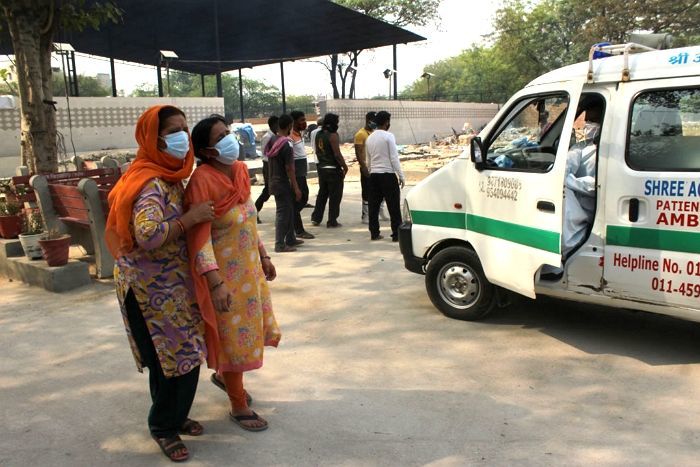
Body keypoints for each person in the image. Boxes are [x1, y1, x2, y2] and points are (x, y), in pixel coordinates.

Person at [105, 105, 215, 462]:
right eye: (174, 131)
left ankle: (174, 416)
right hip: (150, 291)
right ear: (153, 140)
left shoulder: (167, 175)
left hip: (167, 286)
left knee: (172, 359)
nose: (183, 136)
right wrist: (189, 219)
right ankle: (163, 426)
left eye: (185, 128)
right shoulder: (150, 181)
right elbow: (148, 233)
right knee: (178, 360)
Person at [185, 115, 282, 432]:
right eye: (222, 136)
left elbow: (246, 220)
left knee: (243, 337)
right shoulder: (202, 181)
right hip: (224, 279)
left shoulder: (240, 172)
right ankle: (238, 406)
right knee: (232, 342)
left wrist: (264, 255)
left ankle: (223, 377)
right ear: (207, 150)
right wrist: (215, 283)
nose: (230, 138)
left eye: (229, 132)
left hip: (249, 274)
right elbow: (200, 240)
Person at [365, 110, 404, 242]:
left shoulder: (369, 137)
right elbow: (394, 157)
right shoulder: (389, 136)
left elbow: (368, 160)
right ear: (387, 122)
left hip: (374, 175)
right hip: (387, 175)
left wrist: (371, 173)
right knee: (393, 206)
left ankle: (374, 233)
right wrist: (401, 175)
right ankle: (396, 234)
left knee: (373, 206)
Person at [268, 114, 303, 252]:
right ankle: (280, 244)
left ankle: (290, 238)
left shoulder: (273, 139)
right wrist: (296, 187)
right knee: (283, 213)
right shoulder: (286, 143)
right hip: (283, 182)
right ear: (289, 126)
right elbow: (289, 168)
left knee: (288, 211)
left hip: (274, 180)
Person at [311, 113, 348, 227]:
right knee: (335, 196)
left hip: (322, 168)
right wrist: (344, 166)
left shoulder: (318, 135)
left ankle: (316, 218)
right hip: (333, 169)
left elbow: (317, 150)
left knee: (322, 193)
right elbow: (337, 154)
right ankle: (332, 220)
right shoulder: (333, 135)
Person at [354, 111, 389, 224]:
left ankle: (381, 212)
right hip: (367, 167)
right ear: (368, 120)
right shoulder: (361, 134)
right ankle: (365, 215)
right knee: (367, 191)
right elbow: (358, 152)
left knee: (381, 191)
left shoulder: (375, 133)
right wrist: (363, 167)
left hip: (377, 166)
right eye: (373, 121)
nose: (375, 123)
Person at [290, 110, 314, 239]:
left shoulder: (299, 134)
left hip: (301, 173)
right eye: (301, 120)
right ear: (293, 122)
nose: (304, 122)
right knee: (299, 199)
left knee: (304, 198)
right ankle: (298, 229)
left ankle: (291, 218)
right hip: (296, 173)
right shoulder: (290, 137)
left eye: (304, 119)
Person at [254, 115, 278, 223]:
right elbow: (265, 153)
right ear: (273, 125)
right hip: (268, 165)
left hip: (272, 164)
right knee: (268, 191)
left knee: (271, 190)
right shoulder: (268, 137)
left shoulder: (274, 135)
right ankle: (254, 211)